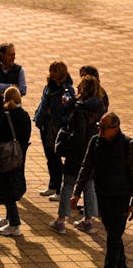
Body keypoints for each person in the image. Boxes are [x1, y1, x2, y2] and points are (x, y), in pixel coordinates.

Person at [71, 112, 133, 268]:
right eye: (99, 126)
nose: (100, 130)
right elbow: (86, 166)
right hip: (103, 195)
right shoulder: (95, 142)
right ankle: (121, 265)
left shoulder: (127, 145)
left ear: (115, 129)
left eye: (103, 127)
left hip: (121, 198)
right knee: (112, 233)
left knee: (113, 236)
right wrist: (76, 192)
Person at [51, 74, 103, 233]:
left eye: (80, 85)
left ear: (84, 89)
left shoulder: (80, 109)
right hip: (92, 152)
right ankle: (88, 221)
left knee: (67, 184)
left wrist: (67, 145)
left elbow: (78, 134)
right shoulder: (100, 107)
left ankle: (60, 221)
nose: (78, 88)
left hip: (77, 154)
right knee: (88, 184)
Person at [34, 61, 75, 199]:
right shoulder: (49, 86)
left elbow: (69, 109)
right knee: (49, 157)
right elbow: (43, 102)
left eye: (55, 71)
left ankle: (59, 189)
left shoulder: (66, 89)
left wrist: (61, 119)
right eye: (51, 70)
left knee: (55, 158)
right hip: (45, 125)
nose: (52, 73)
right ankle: (52, 185)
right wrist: (38, 116)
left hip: (55, 127)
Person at [0, 86, 32, 237]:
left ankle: (14, 224)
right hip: (20, 155)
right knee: (13, 183)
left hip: (8, 156)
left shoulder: (7, 115)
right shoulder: (24, 115)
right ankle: (9, 218)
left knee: (6, 188)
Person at [0, 43, 27, 124]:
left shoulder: (19, 70)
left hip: (13, 116)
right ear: (1, 55)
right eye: (10, 55)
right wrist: (12, 86)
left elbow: (23, 90)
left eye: (14, 54)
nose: (13, 57)